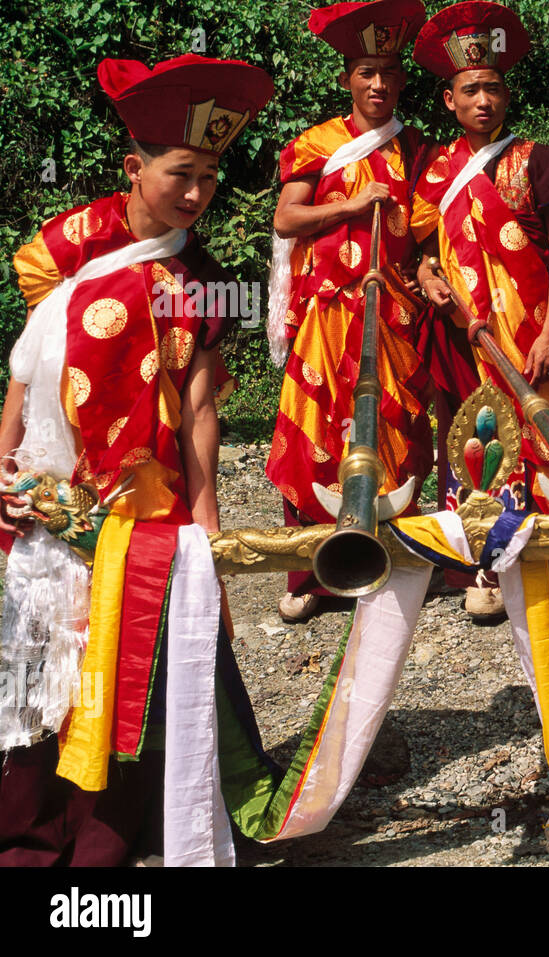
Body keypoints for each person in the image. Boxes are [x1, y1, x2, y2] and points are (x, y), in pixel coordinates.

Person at [0, 54, 272, 865]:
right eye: (179, 173)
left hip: (143, 509)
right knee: (47, 661)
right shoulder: (66, 246)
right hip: (50, 495)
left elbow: (197, 408)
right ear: (134, 165)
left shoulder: (204, 276)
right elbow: (26, 369)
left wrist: (209, 532)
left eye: (210, 178)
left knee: (127, 664)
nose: (195, 195)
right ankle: (27, 828)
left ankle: (114, 831)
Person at [409, 0, 549, 626]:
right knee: (474, 439)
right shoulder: (433, 170)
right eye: (470, 90)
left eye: (492, 87)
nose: (483, 100)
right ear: (450, 100)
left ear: (506, 92)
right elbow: (421, 250)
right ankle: (484, 565)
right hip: (464, 335)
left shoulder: (539, 161)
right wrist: (424, 276)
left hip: (528, 335)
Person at [265, 0, 433, 622]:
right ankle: (312, 574)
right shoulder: (317, 142)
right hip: (327, 310)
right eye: (366, 72)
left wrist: (425, 270)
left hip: (392, 309)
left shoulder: (415, 148)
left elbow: (421, 233)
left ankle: (399, 555)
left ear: (401, 81)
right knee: (317, 425)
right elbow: (288, 218)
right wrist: (353, 204)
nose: (378, 84)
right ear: (347, 79)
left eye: (389, 72)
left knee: (395, 425)